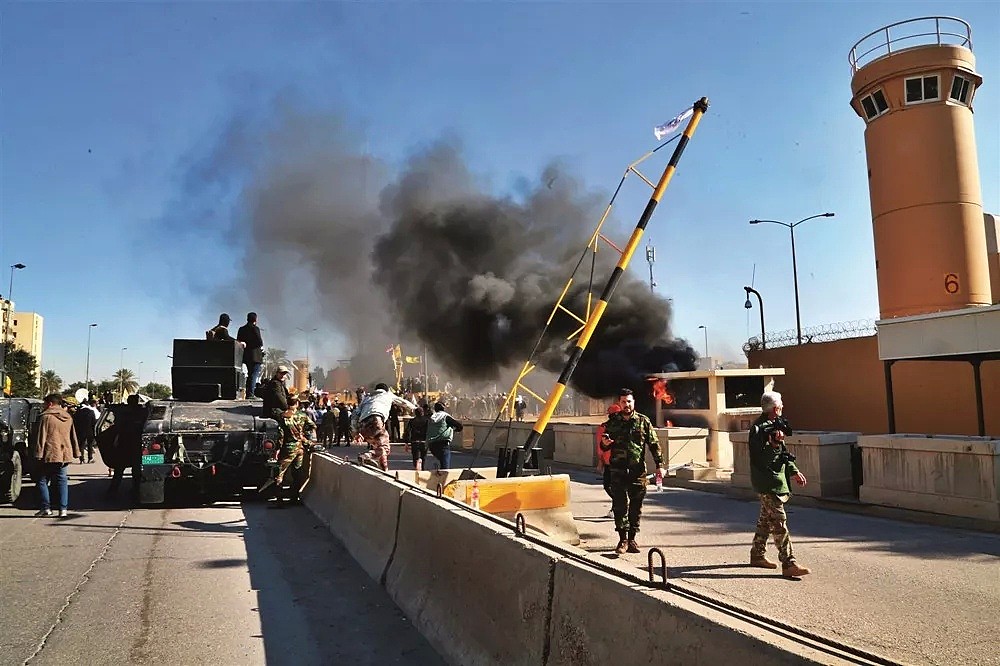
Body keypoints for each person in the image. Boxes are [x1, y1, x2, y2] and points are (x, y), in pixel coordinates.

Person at [748, 391, 811, 578]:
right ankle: (789, 563)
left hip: (777, 481)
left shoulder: (775, 426)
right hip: (768, 483)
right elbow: (761, 459)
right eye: (781, 406)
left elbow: (783, 454)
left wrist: (794, 471)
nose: (783, 408)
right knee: (779, 521)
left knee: (765, 521)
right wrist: (773, 444)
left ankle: (757, 555)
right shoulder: (759, 430)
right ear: (776, 408)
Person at [600, 388, 665, 555]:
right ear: (619, 403)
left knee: (636, 507)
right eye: (623, 401)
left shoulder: (643, 422)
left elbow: (654, 444)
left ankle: (632, 538)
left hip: (637, 472)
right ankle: (622, 540)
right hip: (618, 471)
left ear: (633, 402)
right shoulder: (613, 423)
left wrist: (659, 465)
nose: (626, 404)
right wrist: (605, 443)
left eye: (629, 401)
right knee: (620, 506)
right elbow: (603, 444)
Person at [259, 395, 315, 505]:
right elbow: (312, 425)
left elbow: (281, 435)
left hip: (288, 449)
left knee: (279, 473)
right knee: (297, 472)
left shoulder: (283, 416)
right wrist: (303, 434)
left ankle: (279, 500)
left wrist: (278, 449)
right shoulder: (302, 416)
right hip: (300, 448)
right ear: (297, 404)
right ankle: (294, 498)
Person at [33, 395, 81, 517]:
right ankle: (63, 510)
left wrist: (38, 454)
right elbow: (73, 436)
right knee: (62, 481)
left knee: (42, 480)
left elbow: (41, 437)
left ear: (49, 404)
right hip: (64, 454)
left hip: (49, 453)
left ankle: (46, 508)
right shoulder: (68, 417)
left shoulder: (46, 417)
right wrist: (77, 452)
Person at [352, 382, 416, 471]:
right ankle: (367, 456)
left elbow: (355, 414)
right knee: (385, 448)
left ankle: (384, 468)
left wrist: (356, 432)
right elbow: (403, 403)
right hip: (376, 421)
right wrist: (416, 408)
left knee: (381, 447)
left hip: (363, 426)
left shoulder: (367, 398)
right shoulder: (387, 394)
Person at [107, 394, 146, 501]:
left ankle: (113, 491)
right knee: (136, 469)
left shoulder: (123, 413)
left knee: (119, 469)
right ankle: (136, 490)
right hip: (137, 444)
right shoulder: (142, 412)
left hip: (124, 444)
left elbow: (117, 426)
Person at [425, 401, 463, 470]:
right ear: (444, 408)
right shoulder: (445, 416)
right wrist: (454, 430)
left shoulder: (431, 417)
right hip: (443, 444)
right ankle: (442, 478)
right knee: (445, 467)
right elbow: (459, 426)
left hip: (432, 445)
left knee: (440, 461)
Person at [236, 312, 265, 396]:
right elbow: (260, 342)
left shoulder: (241, 329)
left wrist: (247, 345)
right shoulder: (255, 329)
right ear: (255, 319)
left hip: (246, 356)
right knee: (254, 375)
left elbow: (238, 341)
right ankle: (251, 394)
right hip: (255, 356)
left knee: (250, 374)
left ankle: (249, 393)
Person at [73, 398, 98, 464]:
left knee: (81, 445)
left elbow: (75, 423)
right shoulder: (91, 412)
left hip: (80, 431)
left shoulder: (77, 413)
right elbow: (94, 423)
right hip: (90, 431)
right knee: (90, 445)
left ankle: (81, 458)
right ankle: (90, 458)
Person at [406, 404, 430, 470]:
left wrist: (407, 442)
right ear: (422, 412)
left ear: (415, 413)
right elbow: (429, 431)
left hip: (414, 441)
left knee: (415, 456)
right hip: (424, 441)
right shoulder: (427, 421)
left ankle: (416, 465)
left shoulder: (412, 421)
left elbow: (407, 431)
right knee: (423, 456)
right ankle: (422, 467)